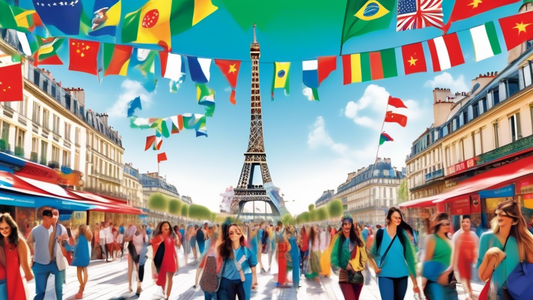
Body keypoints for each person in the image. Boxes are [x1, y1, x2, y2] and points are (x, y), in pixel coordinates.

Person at [478, 200, 533, 299]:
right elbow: (483, 277)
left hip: (517, 293)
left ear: (514, 220)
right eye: (498, 214)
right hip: (495, 294)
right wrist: (490, 256)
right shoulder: (486, 238)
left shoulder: (522, 240)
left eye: (503, 214)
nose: (499, 217)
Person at [370, 207, 419, 300]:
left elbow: (410, 258)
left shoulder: (403, 235)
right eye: (395, 217)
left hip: (402, 275)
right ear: (389, 218)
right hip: (384, 274)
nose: (398, 219)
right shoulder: (380, 233)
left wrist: (415, 282)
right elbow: (371, 254)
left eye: (399, 218)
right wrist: (375, 267)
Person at [27, 208, 68, 300]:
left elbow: (67, 241)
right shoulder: (36, 229)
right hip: (40, 264)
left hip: (56, 263)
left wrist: (63, 238)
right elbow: (28, 241)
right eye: (52, 215)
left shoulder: (61, 228)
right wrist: (32, 256)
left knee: (58, 290)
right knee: (40, 292)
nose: (54, 217)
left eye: (56, 214)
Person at [216, 223, 257, 300]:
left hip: (243, 280)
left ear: (240, 233)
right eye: (231, 233)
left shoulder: (246, 250)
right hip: (227, 280)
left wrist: (254, 279)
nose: (234, 234)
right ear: (228, 235)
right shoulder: (224, 248)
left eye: (236, 231)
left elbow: (253, 265)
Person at [422, 213, 457, 300]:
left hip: (449, 282)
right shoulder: (431, 238)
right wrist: (423, 285)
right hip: (434, 281)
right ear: (438, 225)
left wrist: (447, 272)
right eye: (443, 224)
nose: (446, 226)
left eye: (448, 224)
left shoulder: (451, 240)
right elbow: (427, 262)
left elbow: (453, 262)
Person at [331, 215, 366, 300]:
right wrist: (343, 265)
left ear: (352, 225)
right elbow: (333, 257)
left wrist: (356, 266)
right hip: (344, 276)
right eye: (345, 224)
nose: (347, 226)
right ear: (342, 226)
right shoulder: (338, 239)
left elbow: (364, 257)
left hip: (357, 276)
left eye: (349, 224)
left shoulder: (357, 240)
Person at [0, 212, 33, 300]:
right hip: (3, 283)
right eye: (1, 228)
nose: (4, 230)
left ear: (12, 227)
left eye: (6, 227)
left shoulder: (19, 242)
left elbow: (27, 269)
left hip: (17, 282)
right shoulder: (1, 242)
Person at [452, 215, 479, 299]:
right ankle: (468, 293)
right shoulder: (456, 235)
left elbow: (477, 248)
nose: (465, 223)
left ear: (470, 224)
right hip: (460, 263)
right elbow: (454, 251)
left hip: (470, 264)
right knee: (463, 278)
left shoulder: (473, 235)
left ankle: (469, 293)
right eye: (463, 222)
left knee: (468, 279)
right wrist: (453, 265)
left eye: (467, 222)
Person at [151, 221, 179, 299]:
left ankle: (167, 296)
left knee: (170, 279)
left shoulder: (172, 237)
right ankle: (163, 292)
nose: (166, 227)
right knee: (162, 278)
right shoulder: (158, 237)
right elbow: (152, 246)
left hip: (171, 260)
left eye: (168, 226)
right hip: (162, 261)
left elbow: (174, 249)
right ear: (161, 228)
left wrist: (177, 262)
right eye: (164, 226)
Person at [124, 224, 148, 296]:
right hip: (133, 252)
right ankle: (131, 286)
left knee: (139, 270)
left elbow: (146, 242)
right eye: (138, 228)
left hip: (141, 255)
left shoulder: (144, 236)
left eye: (141, 228)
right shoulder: (133, 236)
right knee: (131, 269)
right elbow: (127, 239)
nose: (139, 229)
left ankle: (138, 286)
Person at [70, 224, 93, 299]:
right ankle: (82, 287)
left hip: (79, 256)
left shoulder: (79, 237)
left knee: (79, 270)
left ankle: (81, 287)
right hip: (86, 256)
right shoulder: (88, 236)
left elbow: (76, 247)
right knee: (85, 270)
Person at [275, 221, 290, 287]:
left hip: (281, 254)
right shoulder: (280, 234)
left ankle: (281, 281)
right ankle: (282, 282)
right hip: (282, 254)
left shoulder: (277, 233)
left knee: (282, 269)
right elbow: (284, 242)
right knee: (282, 269)